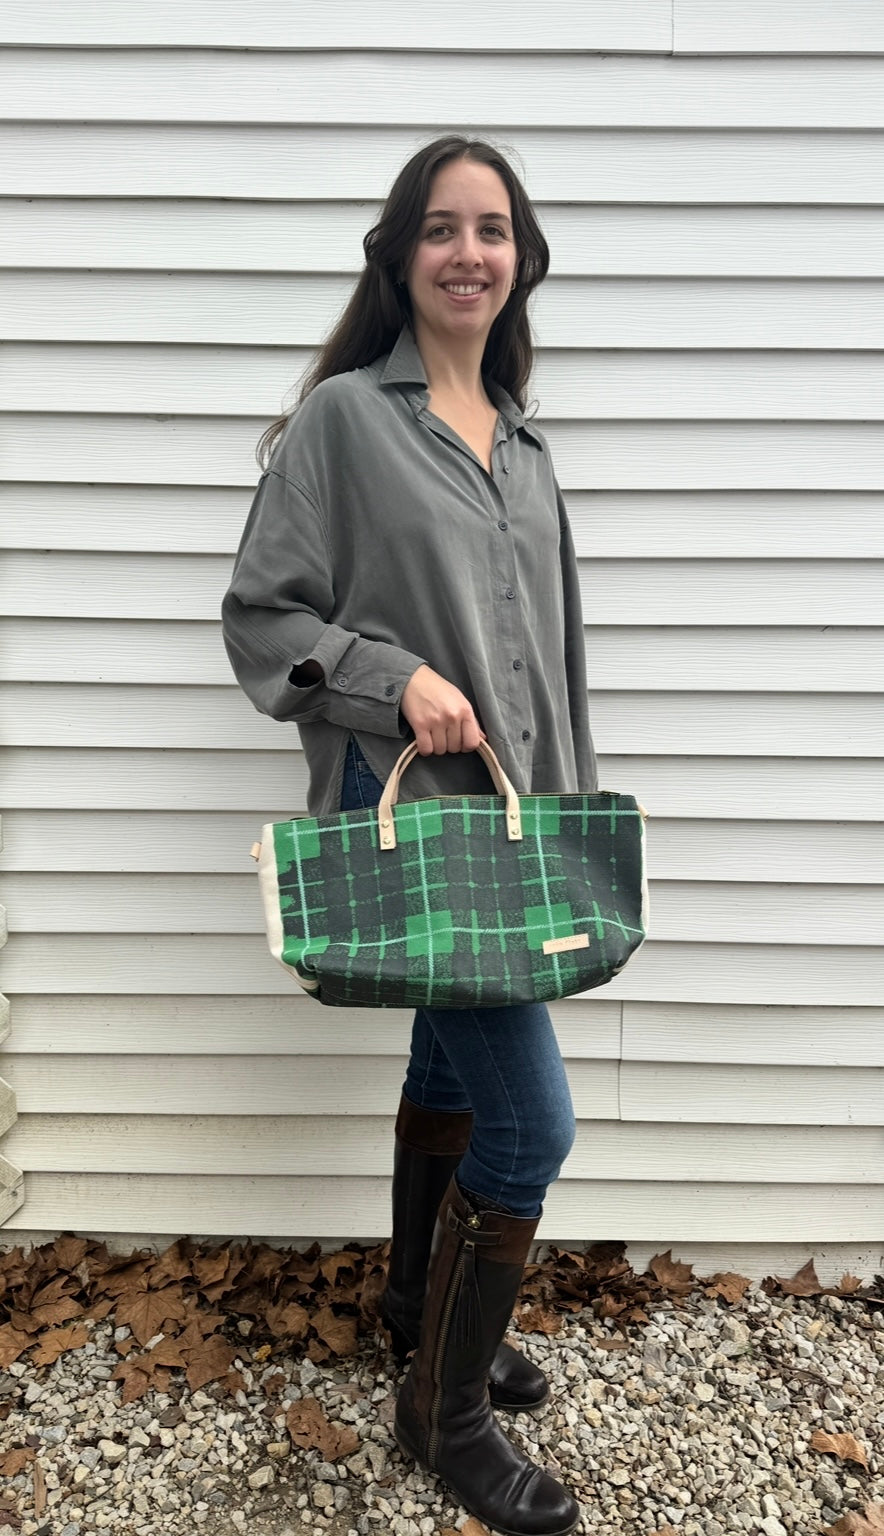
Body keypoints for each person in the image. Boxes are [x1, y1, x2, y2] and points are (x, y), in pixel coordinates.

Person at [221, 135, 597, 1536]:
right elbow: (265, 617)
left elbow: (554, 666)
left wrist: (561, 816)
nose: (468, 253)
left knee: (452, 1068)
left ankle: (410, 1306)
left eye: (492, 230)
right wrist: (397, 682)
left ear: (522, 261)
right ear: (400, 255)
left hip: (504, 833)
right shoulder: (344, 423)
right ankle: (442, 1416)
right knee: (533, 1123)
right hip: (412, 825)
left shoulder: (527, 446)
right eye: (440, 228)